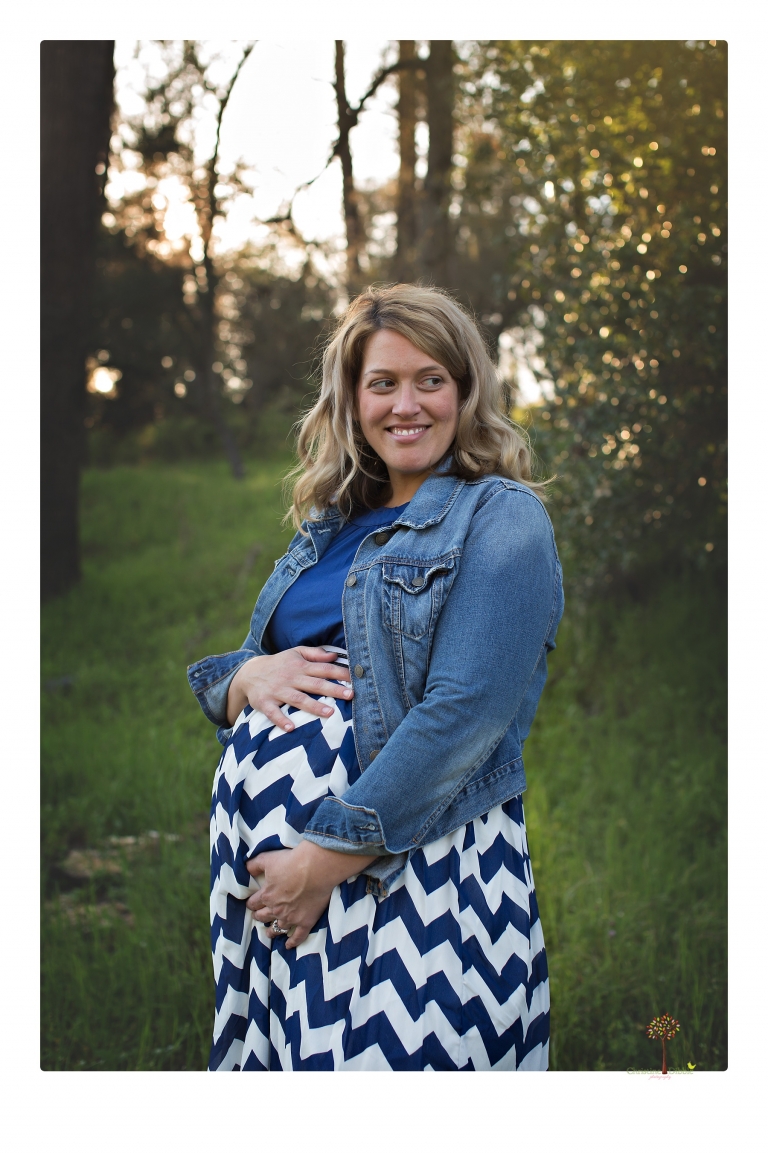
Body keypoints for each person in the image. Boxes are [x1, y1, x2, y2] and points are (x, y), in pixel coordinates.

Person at [188, 283, 564, 1071]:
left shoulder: (501, 516)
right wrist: (241, 678)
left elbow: (466, 712)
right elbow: (258, 667)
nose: (407, 405)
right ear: (352, 399)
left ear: (465, 392)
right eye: (382, 383)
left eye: (431, 380)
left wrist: (323, 860)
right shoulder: (329, 525)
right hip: (286, 879)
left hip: (416, 868)